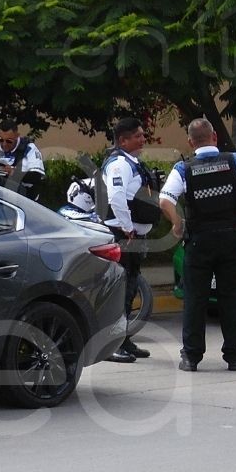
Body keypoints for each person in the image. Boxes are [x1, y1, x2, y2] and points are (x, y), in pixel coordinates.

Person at [159, 118, 236, 371]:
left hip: (199, 242)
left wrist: (177, 223)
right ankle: (234, 357)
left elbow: (165, 200)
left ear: (190, 142)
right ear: (215, 137)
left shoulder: (183, 168)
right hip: (231, 239)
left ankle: (191, 357)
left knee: (195, 299)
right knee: (232, 298)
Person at [98, 117, 162, 363]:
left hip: (133, 236)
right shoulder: (119, 164)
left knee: (130, 288)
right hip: (123, 236)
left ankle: (123, 340)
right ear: (123, 140)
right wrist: (127, 228)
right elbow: (116, 197)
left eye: (142, 134)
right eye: (137, 135)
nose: (142, 138)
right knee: (120, 291)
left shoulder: (132, 162)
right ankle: (111, 345)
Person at [0, 120, 47, 200]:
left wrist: (14, 173)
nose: (4, 144)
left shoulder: (29, 148)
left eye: (9, 141)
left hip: (20, 200)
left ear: (17, 136)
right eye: (1, 140)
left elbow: (36, 177)